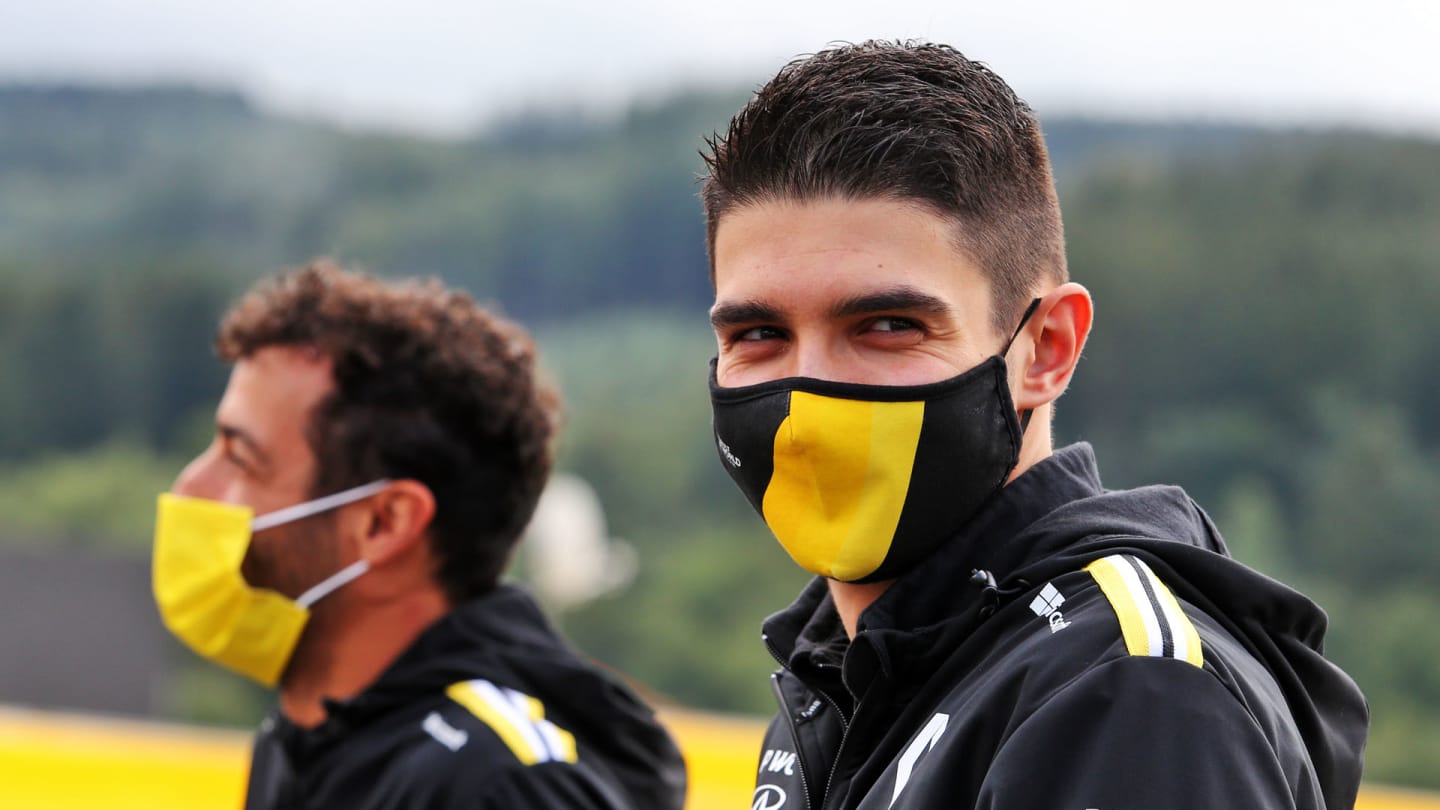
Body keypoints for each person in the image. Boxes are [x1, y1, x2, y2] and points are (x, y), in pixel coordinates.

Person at [701, 41, 1368, 809]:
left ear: (1046, 349)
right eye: (757, 337)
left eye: (887, 325)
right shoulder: (844, 675)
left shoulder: (1132, 695)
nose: (807, 399)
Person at [152, 260, 686, 809]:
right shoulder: (304, 741)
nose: (190, 487)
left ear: (385, 523)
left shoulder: (499, 785)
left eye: (243, 459)